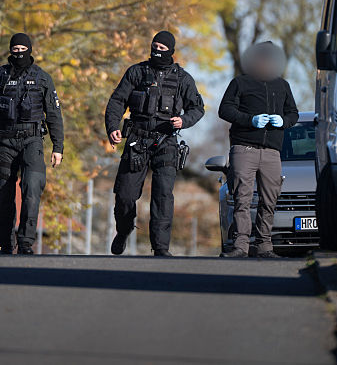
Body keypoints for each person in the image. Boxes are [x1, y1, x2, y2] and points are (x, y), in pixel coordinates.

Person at [105, 30, 205, 257]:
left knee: (162, 196)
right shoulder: (136, 72)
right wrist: (112, 127)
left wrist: (183, 121)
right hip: (136, 140)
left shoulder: (182, 78)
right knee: (125, 195)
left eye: (162, 48)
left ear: (171, 51)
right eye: (154, 47)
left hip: (166, 141)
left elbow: (197, 108)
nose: (157, 51)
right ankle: (123, 229)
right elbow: (117, 101)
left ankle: (160, 248)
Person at [0, 33, 64, 254]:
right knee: (4, 194)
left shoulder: (42, 79)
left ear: (30, 50)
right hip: (5, 141)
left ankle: (25, 242)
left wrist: (58, 147)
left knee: (32, 187)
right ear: (10, 50)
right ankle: (6, 244)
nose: (19, 53)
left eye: (23, 48)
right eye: (15, 49)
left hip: (32, 141)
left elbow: (54, 114)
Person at [217, 41, 298, 259]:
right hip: (244, 149)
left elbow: (293, 114)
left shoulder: (283, 85)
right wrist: (250, 120)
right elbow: (224, 109)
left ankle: (264, 247)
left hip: (272, 153)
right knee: (242, 199)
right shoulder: (240, 83)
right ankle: (241, 247)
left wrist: (283, 120)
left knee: (269, 200)